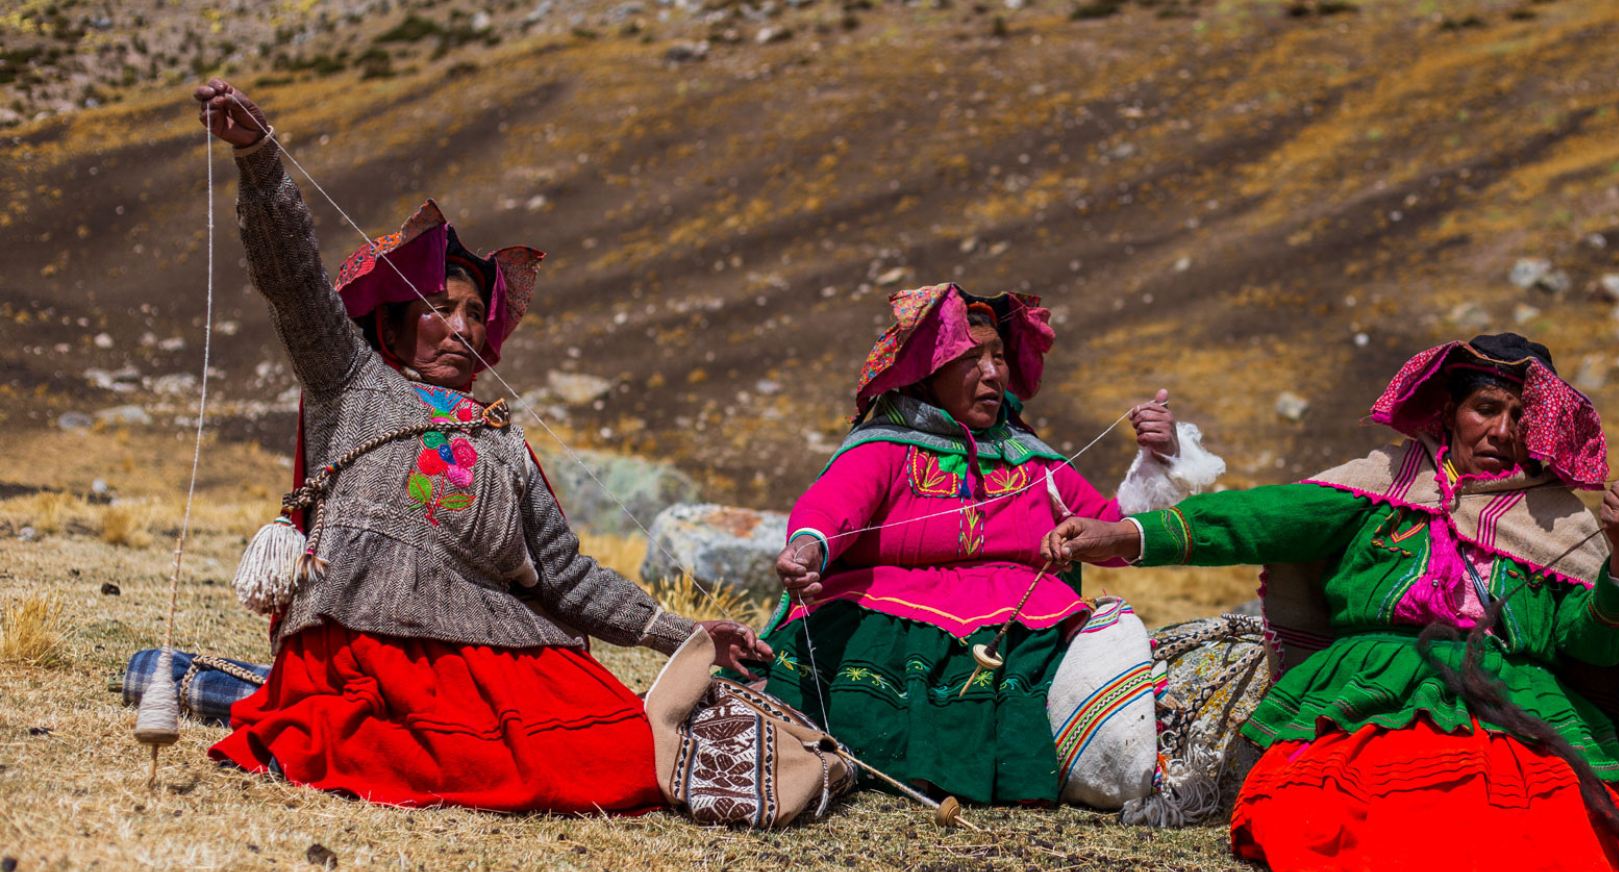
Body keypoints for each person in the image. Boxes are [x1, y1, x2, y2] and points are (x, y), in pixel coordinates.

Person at [1041, 334, 1619, 872]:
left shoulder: (1565, 526)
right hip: (1373, 687)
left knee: (1563, 834)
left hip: (1513, 705)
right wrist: (1128, 535)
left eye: (1523, 418)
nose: (1503, 432)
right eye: (1487, 409)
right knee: (1338, 811)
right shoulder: (1380, 483)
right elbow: (1260, 517)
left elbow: (1593, 649)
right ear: (1449, 410)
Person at [193, 79, 770, 812]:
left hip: (488, 651)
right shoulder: (350, 378)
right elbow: (294, 282)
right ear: (394, 328)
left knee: (619, 759)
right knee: (378, 740)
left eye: (474, 314)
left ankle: (222, 689)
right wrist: (260, 160)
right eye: (438, 309)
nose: (463, 329)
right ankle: (237, 692)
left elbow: (566, 577)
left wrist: (687, 636)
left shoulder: (504, 443)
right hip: (363, 639)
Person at [756, 283, 1222, 806]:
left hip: (1017, 626)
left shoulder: (1031, 461)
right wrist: (808, 549)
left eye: (998, 356)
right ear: (928, 372)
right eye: (970, 358)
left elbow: (1111, 533)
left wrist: (1161, 458)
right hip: (888, 615)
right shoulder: (886, 448)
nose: (993, 373)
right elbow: (832, 505)